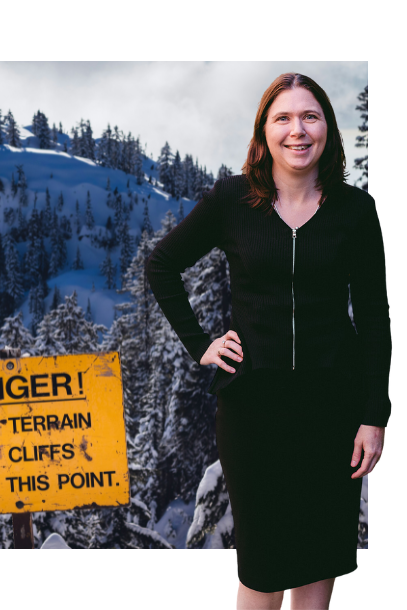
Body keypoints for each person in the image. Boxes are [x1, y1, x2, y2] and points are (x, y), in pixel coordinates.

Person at [145, 73, 391, 609]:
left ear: (328, 128)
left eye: (310, 116)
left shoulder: (355, 211)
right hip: (253, 410)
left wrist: (374, 415)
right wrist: (200, 344)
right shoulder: (233, 200)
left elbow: (374, 316)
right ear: (264, 131)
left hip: (333, 409)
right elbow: (161, 264)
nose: (297, 130)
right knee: (263, 566)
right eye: (283, 118)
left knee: (319, 561)